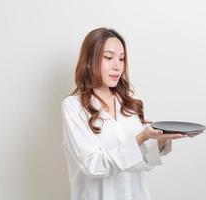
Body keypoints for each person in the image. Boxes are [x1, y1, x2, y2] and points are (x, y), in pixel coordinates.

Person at [61, 27, 198, 200]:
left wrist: (161, 141)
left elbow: (143, 163)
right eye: (108, 58)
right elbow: (93, 166)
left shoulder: (129, 100)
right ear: (89, 60)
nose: (117, 66)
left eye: (122, 59)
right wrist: (140, 138)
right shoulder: (73, 106)